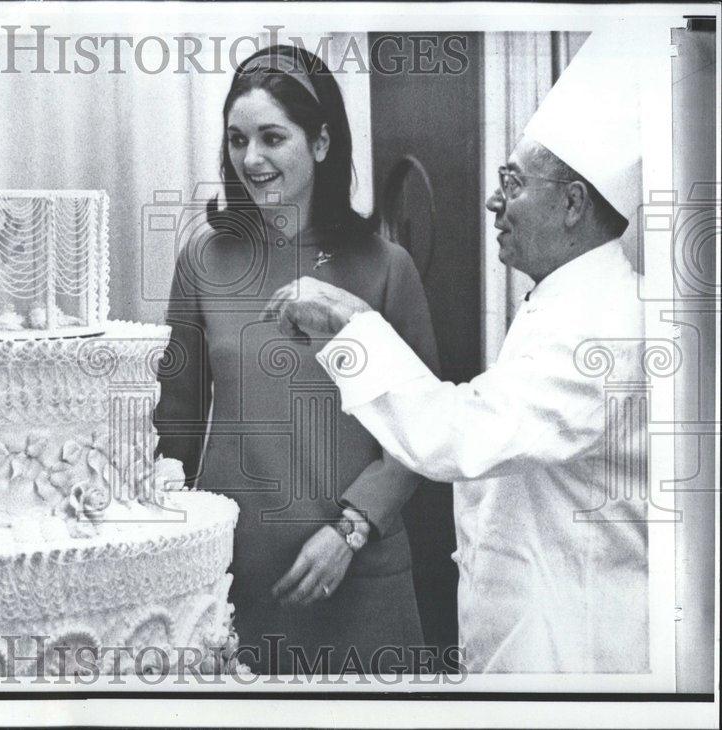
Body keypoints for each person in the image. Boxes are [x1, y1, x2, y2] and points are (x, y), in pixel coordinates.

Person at [262, 29, 661, 672]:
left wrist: (354, 328)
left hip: (576, 649)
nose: (492, 200)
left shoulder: (606, 327)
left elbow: (458, 434)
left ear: (573, 204)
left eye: (513, 182)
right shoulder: (566, 300)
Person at [154, 45, 444, 674]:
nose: (250, 158)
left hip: (360, 576)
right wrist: (168, 511)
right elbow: (173, 421)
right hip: (234, 578)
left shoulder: (386, 266)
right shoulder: (204, 260)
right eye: (237, 139)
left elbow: (427, 427)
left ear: (320, 143)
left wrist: (351, 529)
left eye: (271, 137)